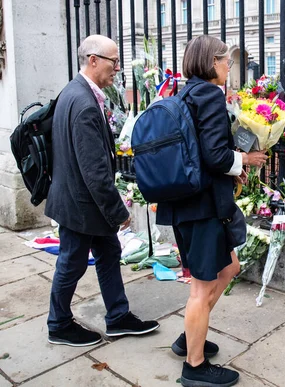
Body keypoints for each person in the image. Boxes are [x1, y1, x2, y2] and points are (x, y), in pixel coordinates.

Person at [155, 35, 267, 387]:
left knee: (229, 267)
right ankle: (195, 366)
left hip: (189, 204)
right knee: (201, 290)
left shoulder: (187, 93)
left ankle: (189, 338)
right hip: (202, 208)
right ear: (211, 62)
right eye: (225, 60)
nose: (228, 66)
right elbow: (215, 156)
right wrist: (247, 158)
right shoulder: (209, 96)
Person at [45, 35, 159, 347]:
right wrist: (118, 212)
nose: (118, 69)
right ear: (93, 60)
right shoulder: (83, 103)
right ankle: (58, 324)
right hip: (81, 205)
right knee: (71, 263)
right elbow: (94, 172)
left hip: (80, 200)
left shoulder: (76, 90)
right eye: (114, 62)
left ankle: (118, 317)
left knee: (109, 252)